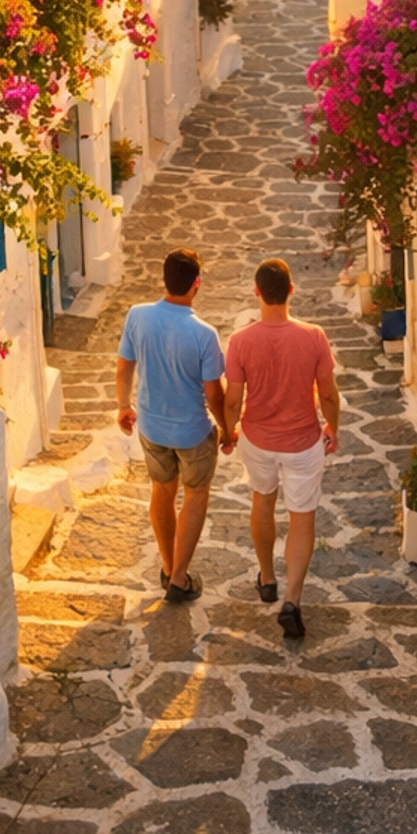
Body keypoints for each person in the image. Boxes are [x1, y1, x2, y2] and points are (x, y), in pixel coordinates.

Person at [222, 258, 340, 641]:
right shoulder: (314, 337)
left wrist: (229, 430)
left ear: (257, 293)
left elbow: (232, 398)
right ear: (291, 290)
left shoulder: (240, 341)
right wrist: (332, 427)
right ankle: (292, 599)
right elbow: (328, 394)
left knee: (262, 499)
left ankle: (267, 578)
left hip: (258, 440)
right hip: (303, 442)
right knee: (302, 517)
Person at [116, 246, 233, 603]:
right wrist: (228, 430)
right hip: (193, 433)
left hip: (151, 428)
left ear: (164, 279)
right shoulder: (204, 334)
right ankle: (180, 577)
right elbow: (214, 394)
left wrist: (123, 405)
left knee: (161, 492)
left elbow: (125, 366)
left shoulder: (138, 316)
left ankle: (169, 567)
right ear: (197, 284)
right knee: (195, 495)